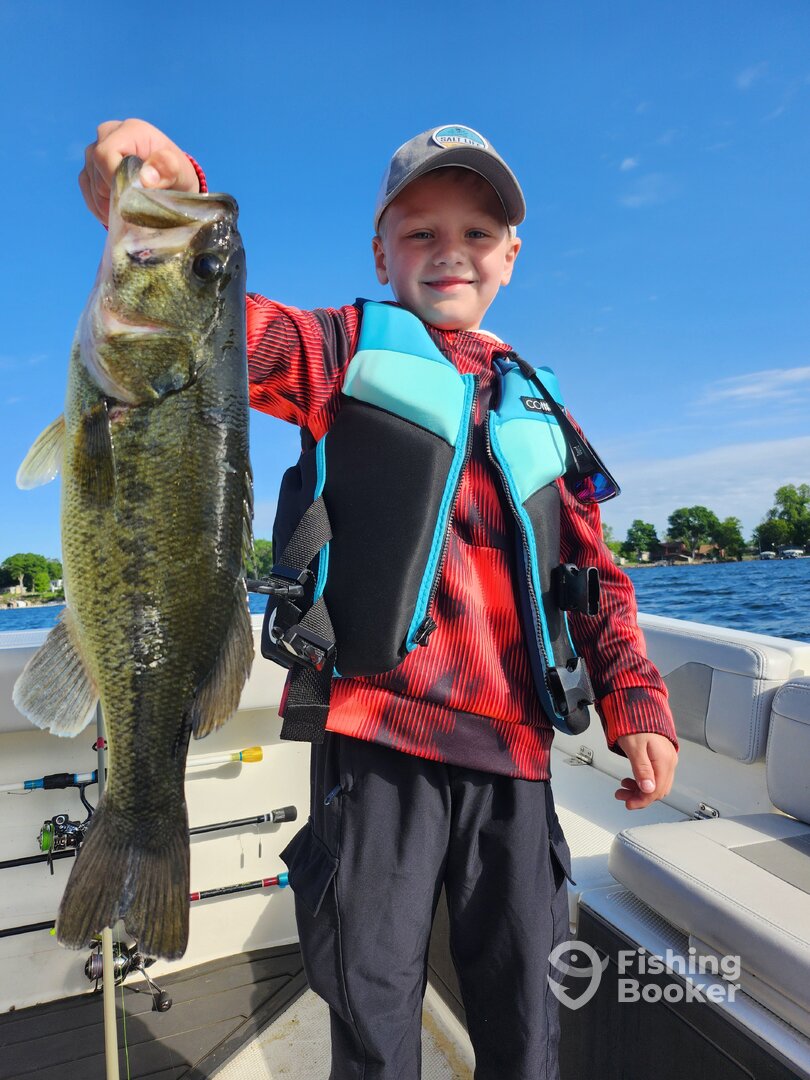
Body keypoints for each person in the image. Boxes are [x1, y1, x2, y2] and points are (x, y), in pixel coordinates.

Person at [80, 120, 679, 1080]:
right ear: (380, 253)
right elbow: (209, 323)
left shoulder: (542, 405)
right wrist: (167, 191)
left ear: (512, 256)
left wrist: (634, 700)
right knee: (372, 1004)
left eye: (477, 233)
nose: (450, 252)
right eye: (420, 231)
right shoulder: (337, 351)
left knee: (525, 1014)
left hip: (516, 761)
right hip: (377, 750)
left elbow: (594, 574)